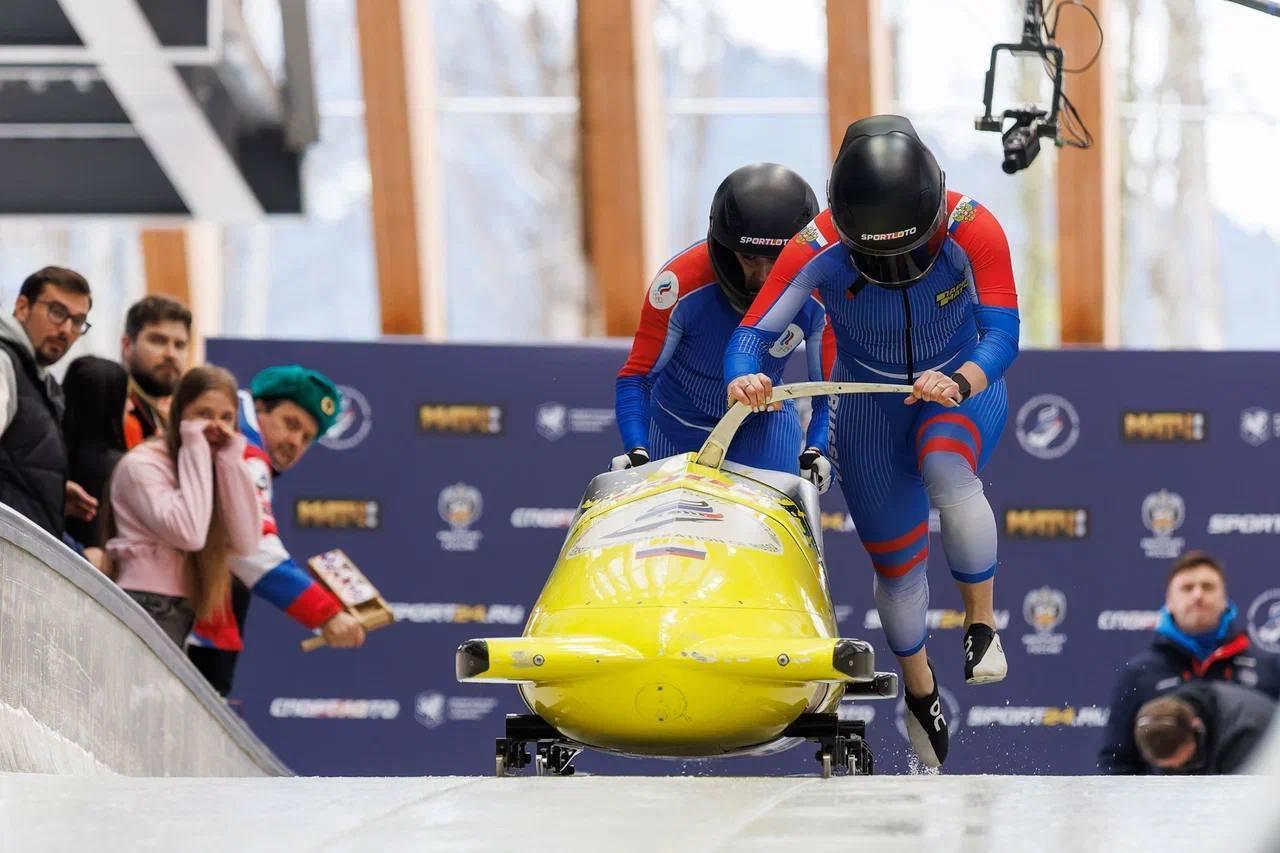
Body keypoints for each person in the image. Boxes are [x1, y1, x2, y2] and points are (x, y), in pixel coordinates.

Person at [724, 116, 1021, 768]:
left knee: (947, 467)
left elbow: (1003, 334)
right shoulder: (815, 247)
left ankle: (982, 624)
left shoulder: (976, 227)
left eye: (910, 254)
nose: (897, 272)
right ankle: (920, 686)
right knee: (898, 567)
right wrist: (742, 376)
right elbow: (750, 335)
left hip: (961, 384)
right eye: (879, 259)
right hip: (870, 404)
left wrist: (962, 379)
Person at [615, 163, 834, 486]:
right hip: (675, 428)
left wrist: (815, 449)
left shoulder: (818, 294)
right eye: (749, 259)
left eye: (777, 260)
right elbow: (636, 377)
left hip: (761, 428)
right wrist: (637, 449)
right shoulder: (678, 285)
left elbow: (828, 391)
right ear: (725, 249)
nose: (763, 277)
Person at [187, 365, 366, 695]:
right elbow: (248, 547)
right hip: (182, 624)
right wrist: (326, 614)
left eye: (307, 438)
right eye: (291, 423)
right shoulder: (242, 448)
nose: (295, 442)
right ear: (260, 408)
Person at [103, 366, 262, 646]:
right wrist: (195, 446)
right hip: (144, 601)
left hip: (182, 605)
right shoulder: (142, 465)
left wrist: (230, 461)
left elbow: (248, 541)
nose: (216, 427)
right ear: (179, 414)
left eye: (226, 417)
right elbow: (189, 532)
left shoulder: (213, 462)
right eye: (203, 415)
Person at [1099, 550, 1280, 774]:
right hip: (1164, 805)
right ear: (1169, 602)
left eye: (1207, 586)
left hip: (1252, 802)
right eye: (1187, 588)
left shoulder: (1266, 666)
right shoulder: (1139, 674)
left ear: (1224, 599)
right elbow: (1117, 761)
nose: (1198, 595)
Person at [0, 266, 94, 539]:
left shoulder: (40, 379)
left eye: (78, 321)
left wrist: (48, 489)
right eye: (57, 312)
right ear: (22, 307)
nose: (66, 329)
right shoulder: (4, 363)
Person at [61, 356, 130, 562]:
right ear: (112, 404)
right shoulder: (124, 466)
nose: (131, 408)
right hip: (102, 571)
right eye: (125, 399)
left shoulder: (52, 454)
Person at [1134, 682, 1276, 774]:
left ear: (1197, 727)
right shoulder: (1158, 740)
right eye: (1168, 767)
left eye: (1180, 763)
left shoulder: (1245, 734)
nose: (1176, 767)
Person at [121, 296, 191, 447]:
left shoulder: (188, 413)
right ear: (127, 345)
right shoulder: (115, 408)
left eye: (179, 345)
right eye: (158, 341)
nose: (171, 354)